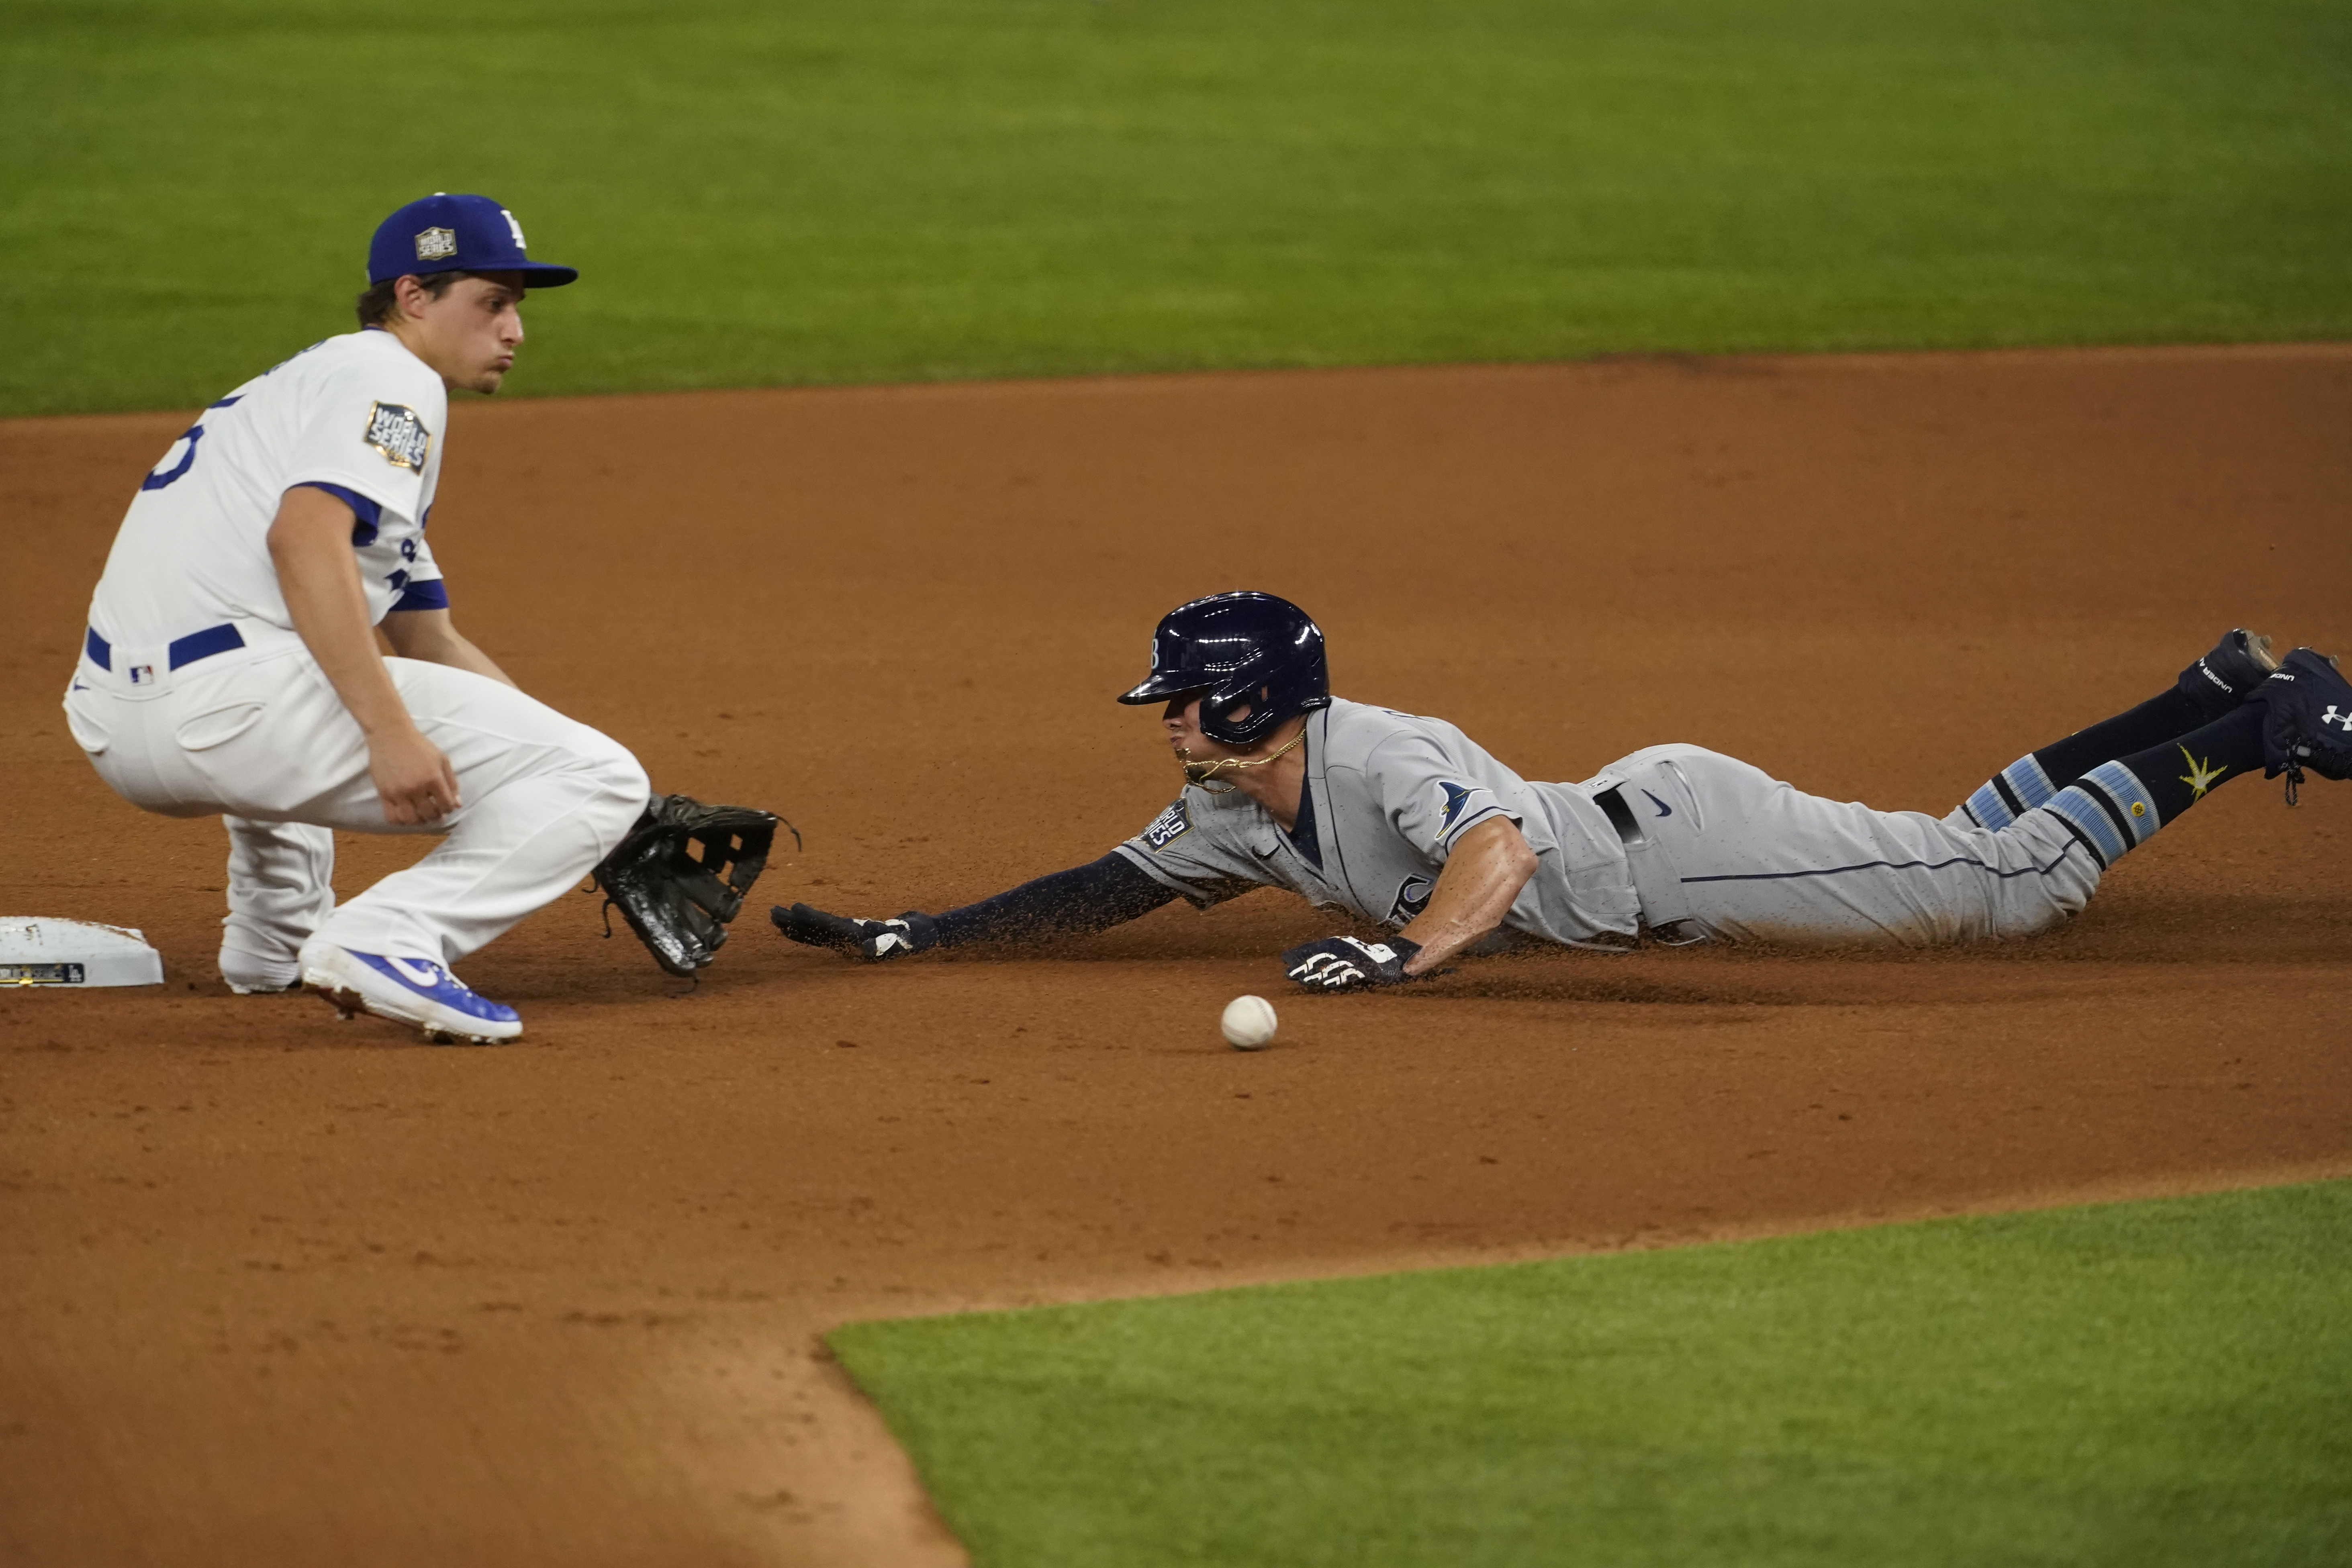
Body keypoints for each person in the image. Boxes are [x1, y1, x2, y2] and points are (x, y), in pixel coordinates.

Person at [773, 590, 2352, 986]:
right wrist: (928, 931)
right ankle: (2199, 694)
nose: (1167, 718)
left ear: (1251, 694)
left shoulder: (1382, 751)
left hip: (1676, 849)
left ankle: (2263, 721)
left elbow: (1505, 847)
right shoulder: (1236, 809)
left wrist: (1415, 953)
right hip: (1650, 830)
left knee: (2004, 893)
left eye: (1182, 696)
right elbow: (1102, 888)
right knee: (1953, 844)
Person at [65, 194, 651, 1042]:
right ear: (413, 296)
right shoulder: (392, 379)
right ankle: (392, 935)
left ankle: (275, 945)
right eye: (492, 302)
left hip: (118, 727)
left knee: (308, 650)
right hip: (224, 711)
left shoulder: (305, 392)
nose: (516, 330)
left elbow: (431, 638)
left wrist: (605, 806)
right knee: (597, 775)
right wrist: (392, 733)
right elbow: (303, 543)